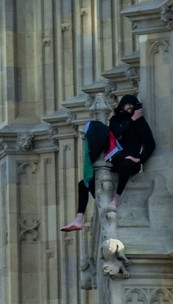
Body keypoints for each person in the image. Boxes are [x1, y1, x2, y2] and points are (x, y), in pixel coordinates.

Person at [60, 95, 155, 232]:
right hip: (115, 160)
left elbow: (151, 144)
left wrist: (140, 159)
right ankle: (79, 219)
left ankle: (116, 199)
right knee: (84, 183)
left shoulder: (141, 124)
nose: (130, 107)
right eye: (127, 104)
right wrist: (132, 119)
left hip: (130, 162)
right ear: (122, 106)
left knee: (126, 165)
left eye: (132, 104)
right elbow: (115, 132)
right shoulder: (116, 120)